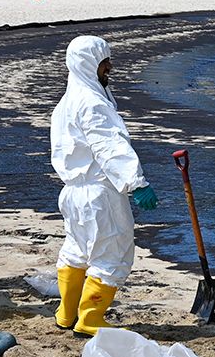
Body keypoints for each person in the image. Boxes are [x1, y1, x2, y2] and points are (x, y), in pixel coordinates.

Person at [50, 35, 156, 335]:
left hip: (72, 191)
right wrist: (136, 183)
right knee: (112, 253)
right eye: (103, 61)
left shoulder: (66, 103)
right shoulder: (93, 103)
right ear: (88, 64)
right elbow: (109, 146)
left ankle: (66, 312)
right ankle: (90, 318)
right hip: (100, 192)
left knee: (76, 250)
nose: (109, 66)